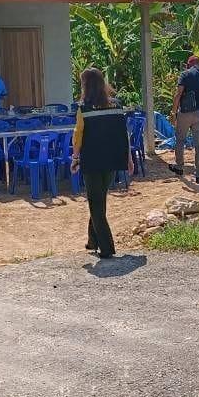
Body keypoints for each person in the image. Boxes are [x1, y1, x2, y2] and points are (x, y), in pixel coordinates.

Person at [71, 68, 132, 259]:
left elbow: (78, 135)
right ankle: (92, 240)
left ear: (86, 86)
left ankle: (106, 247)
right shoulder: (116, 105)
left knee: (96, 203)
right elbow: (124, 133)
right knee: (99, 199)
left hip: (93, 160)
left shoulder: (84, 108)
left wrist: (75, 158)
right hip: (113, 158)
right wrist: (129, 158)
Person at [169, 55, 199, 183]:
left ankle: (179, 167)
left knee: (180, 140)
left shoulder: (185, 74)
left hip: (185, 112)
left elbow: (178, 94)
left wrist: (173, 112)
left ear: (189, 64)